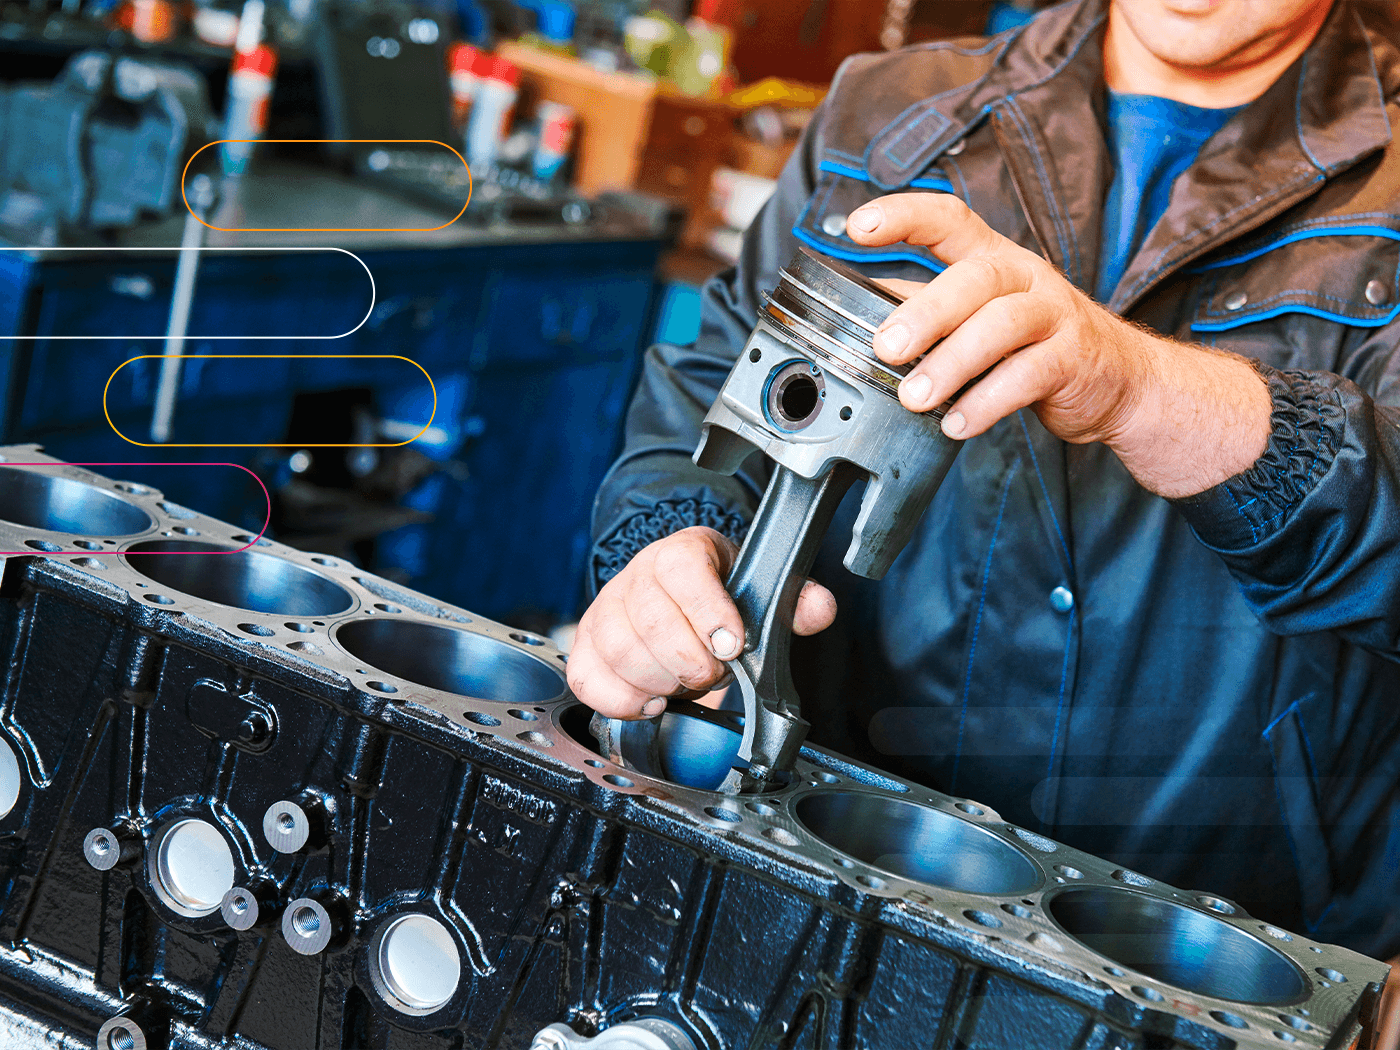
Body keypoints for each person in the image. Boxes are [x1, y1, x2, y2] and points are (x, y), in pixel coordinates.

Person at [569, 0, 1400, 1033]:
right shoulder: (889, 113)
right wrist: (665, 546)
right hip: (814, 891)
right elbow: (708, 393)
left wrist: (1137, 389)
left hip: (1204, 968)